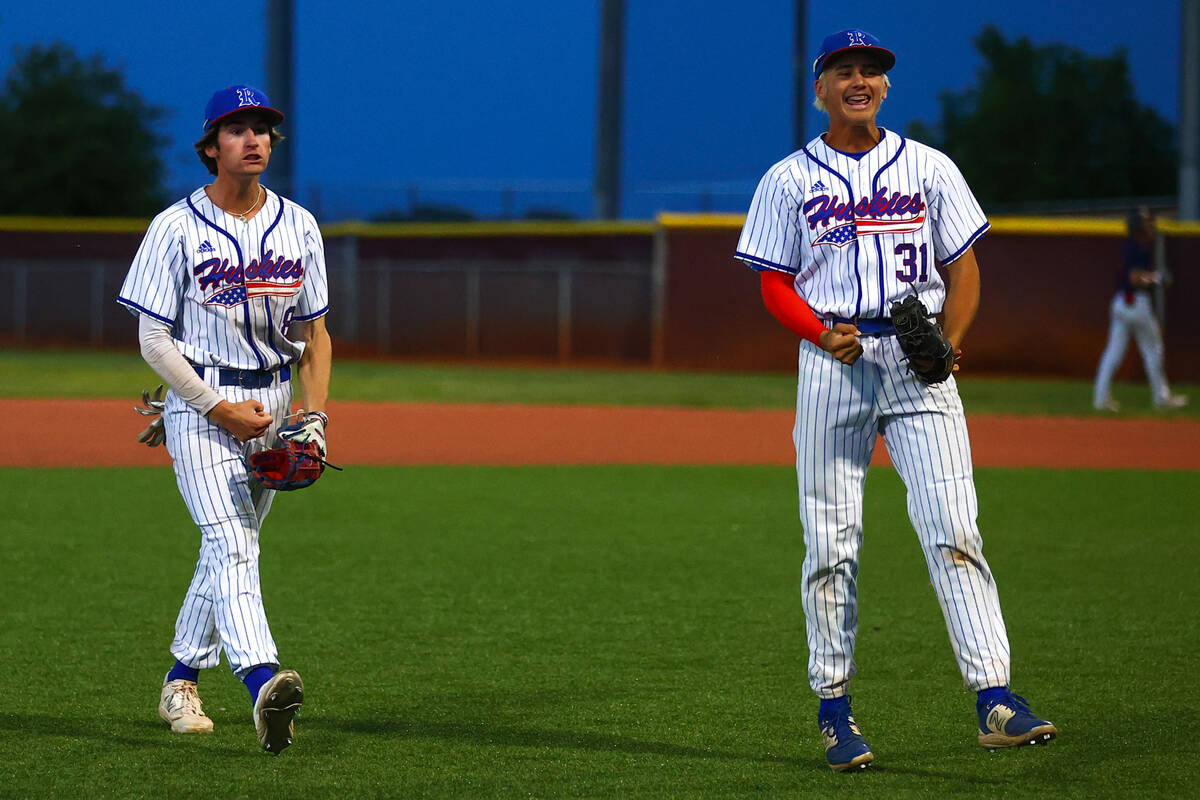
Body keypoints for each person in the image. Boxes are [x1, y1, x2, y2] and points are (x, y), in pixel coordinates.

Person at [734, 29, 1056, 771]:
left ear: (885, 87)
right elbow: (773, 281)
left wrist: (950, 338)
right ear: (820, 89)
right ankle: (834, 710)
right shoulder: (788, 180)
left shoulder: (928, 167)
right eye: (844, 71)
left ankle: (996, 700)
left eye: (872, 71)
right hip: (833, 366)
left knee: (954, 529)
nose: (860, 80)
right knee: (831, 545)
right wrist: (820, 333)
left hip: (920, 366)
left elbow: (962, 265)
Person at [117, 85, 332, 755]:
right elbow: (154, 341)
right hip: (200, 406)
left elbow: (316, 335)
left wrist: (314, 417)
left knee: (226, 550)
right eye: (236, 129)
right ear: (211, 147)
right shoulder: (173, 227)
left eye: (262, 128)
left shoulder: (298, 224)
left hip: (271, 408)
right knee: (234, 544)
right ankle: (262, 681)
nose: (253, 139)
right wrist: (212, 406)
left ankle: (180, 682)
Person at [1092, 206, 1188, 411]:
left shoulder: (1128, 246)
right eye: (1147, 223)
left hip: (1120, 302)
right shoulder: (1139, 248)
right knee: (1153, 350)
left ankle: (1100, 399)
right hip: (1136, 303)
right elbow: (1134, 277)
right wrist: (1157, 278)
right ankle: (1161, 398)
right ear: (1139, 227)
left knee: (1113, 354)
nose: (1151, 226)